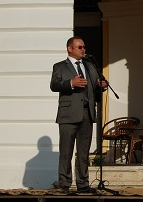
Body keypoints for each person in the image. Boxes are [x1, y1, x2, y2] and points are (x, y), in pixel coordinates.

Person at [50, 36, 108, 194]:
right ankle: (64, 183)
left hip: (86, 113)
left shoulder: (89, 66)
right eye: (80, 47)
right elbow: (54, 85)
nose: (83, 49)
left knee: (83, 152)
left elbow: (95, 87)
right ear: (70, 48)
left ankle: (83, 184)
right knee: (66, 151)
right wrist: (70, 83)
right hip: (68, 114)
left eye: (84, 47)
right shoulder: (60, 66)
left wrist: (101, 86)